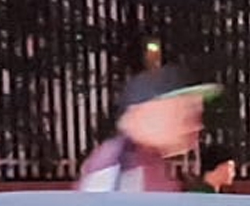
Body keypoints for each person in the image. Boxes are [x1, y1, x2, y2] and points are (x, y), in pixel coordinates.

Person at [77, 64, 222, 192]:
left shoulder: (149, 161)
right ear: (139, 114)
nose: (196, 125)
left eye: (195, 113)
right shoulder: (117, 166)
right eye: (182, 112)